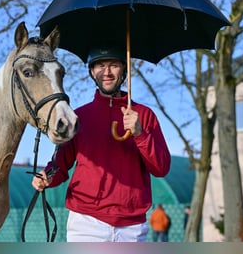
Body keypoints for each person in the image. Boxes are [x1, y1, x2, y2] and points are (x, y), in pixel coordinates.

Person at [31, 47, 171, 242]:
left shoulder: (144, 116)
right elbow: (60, 165)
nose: (107, 72)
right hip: (86, 223)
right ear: (91, 71)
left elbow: (161, 168)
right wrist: (47, 177)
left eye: (114, 65)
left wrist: (140, 134)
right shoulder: (79, 116)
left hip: (132, 226)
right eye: (100, 66)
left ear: (124, 69)